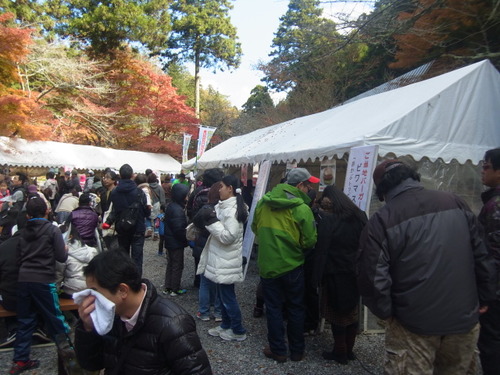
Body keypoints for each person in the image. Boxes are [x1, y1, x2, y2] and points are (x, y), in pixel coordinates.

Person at [357, 159, 496, 375]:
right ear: (414, 177)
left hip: (412, 323)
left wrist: (386, 312)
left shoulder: (382, 219)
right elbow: (482, 253)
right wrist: (485, 296)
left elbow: (372, 276)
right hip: (463, 317)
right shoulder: (455, 202)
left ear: (382, 190)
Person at [74, 250, 213, 375]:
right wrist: (88, 329)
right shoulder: (110, 317)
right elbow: (92, 364)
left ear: (122, 290)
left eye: (95, 292)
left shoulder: (173, 324)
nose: (90, 299)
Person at [252, 167, 318, 362]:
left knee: (273, 308)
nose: (308, 189)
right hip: (293, 265)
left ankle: (278, 350)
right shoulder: (302, 209)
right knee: (296, 308)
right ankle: (297, 351)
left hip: (268, 265)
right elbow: (310, 241)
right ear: (299, 185)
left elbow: (255, 228)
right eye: (308, 185)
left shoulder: (263, 203)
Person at [10, 196, 79, 375]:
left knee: (25, 321)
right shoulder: (51, 230)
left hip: (24, 280)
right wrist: (63, 250)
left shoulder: (23, 232)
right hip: (43, 280)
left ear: (27, 215)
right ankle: (71, 362)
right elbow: (61, 258)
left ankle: (20, 360)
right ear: (47, 211)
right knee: (56, 320)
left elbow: (17, 259)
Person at [314, 185, 367, 364]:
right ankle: (349, 350)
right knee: (352, 311)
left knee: (337, 313)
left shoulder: (330, 220)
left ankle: (340, 352)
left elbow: (322, 249)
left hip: (335, 271)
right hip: (356, 270)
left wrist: (316, 275)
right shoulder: (360, 215)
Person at [197, 175, 248, 342]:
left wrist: (212, 222)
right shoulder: (225, 206)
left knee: (228, 297)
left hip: (227, 260)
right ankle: (226, 325)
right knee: (223, 295)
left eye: (221, 186)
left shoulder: (232, 209)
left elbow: (228, 236)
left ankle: (238, 330)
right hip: (221, 259)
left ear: (230, 189)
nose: (219, 189)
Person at [104, 164, 150, 277]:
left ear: (120, 175)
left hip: (122, 228)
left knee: (124, 256)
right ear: (132, 175)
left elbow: (114, 210)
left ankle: (125, 280)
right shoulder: (139, 192)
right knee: (137, 258)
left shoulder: (115, 192)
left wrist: (108, 222)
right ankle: (136, 283)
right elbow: (146, 212)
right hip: (137, 228)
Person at [477, 148, 500, 375]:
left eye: (487, 167)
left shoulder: (495, 206)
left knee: (491, 343)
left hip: (496, 293)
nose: (482, 172)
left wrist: (486, 292)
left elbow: (493, 256)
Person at [192, 182, 222, 322]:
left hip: (203, 246)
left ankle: (203, 311)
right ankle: (218, 312)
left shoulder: (205, 209)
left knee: (204, 281)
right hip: (218, 248)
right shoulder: (225, 210)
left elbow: (196, 223)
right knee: (217, 280)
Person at [163, 183, 189, 296]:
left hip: (169, 241)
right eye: (186, 195)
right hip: (176, 242)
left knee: (170, 264)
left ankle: (167, 287)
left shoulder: (171, 206)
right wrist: (186, 238)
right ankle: (175, 288)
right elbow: (179, 229)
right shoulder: (178, 210)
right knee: (177, 265)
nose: (187, 197)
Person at [148, 173, 165, 241]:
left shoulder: (147, 187)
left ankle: (148, 228)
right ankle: (156, 233)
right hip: (157, 204)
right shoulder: (159, 187)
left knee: (147, 217)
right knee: (157, 219)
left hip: (149, 204)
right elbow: (162, 198)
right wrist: (163, 206)